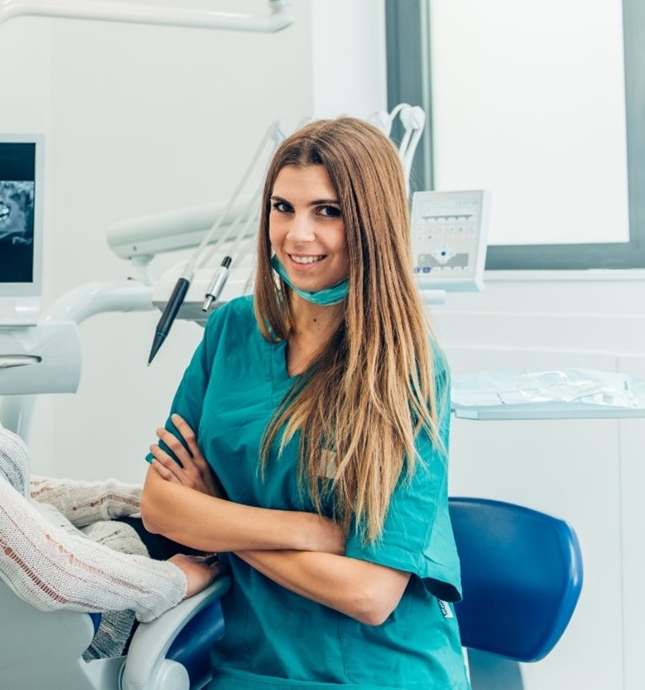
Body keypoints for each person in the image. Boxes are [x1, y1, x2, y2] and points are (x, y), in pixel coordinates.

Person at [0, 155, 336, 661]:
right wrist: (178, 577)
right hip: (83, 623)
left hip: (48, 596)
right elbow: (50, 570)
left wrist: (130, 500)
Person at [141, 117, 469, 689]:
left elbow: (369, 594)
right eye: (282, 208)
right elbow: (162, 508)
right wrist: (309, 530)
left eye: (327, 211)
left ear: (372, 224)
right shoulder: (229, 332)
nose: (296, 235)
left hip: (377, 672)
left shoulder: (406, 370)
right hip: (248, 667)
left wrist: (218, 517)